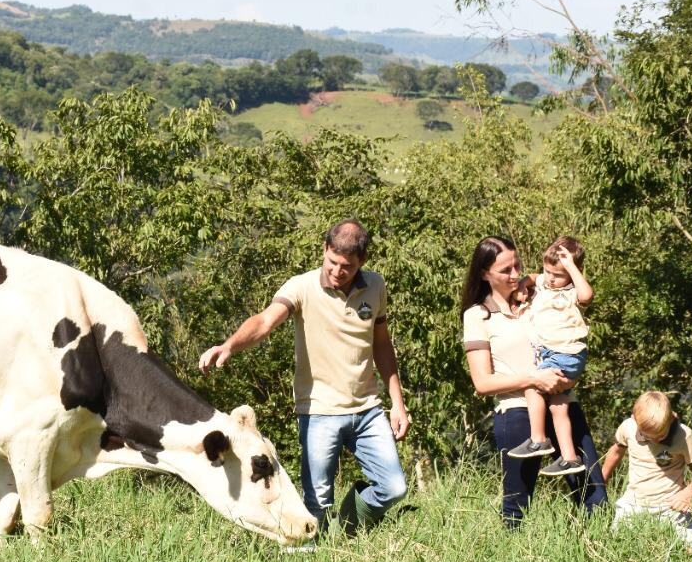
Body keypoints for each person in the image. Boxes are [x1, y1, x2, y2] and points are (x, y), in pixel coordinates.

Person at [198, 220, 409, 533]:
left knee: (394, 488)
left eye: (347, 266)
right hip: (319, 412)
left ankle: (349, 526)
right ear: (324, 250)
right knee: (318, 500)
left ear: (362, 261)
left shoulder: (376, 286)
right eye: (332, 262)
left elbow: (382, 345)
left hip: (367, 409)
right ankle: (316, 561)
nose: (337, 271)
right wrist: (230, 345)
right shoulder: (301, 287)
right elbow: (265, 322)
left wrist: (398, 402)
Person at [461, 235, 606, 528]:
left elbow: (573, 302)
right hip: (516, 411)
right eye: (505, 270)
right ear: (484, 274)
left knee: (594, 499)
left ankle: (603, 557)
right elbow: (482, 383)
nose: (515, 274)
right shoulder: (478, 316)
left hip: (563, 406)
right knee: (517, 506)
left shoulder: (542, 293)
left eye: (517, 265)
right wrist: (532, 379)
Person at [506, 236, 593, 477]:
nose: (552, 278)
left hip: (564, 353)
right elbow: (535, 277)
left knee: (533, 386)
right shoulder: (545, 282)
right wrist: (524, 283)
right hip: (559, 355)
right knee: (557, 406)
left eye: (559, 275)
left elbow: (587, 296)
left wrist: (572, 269)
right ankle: (570, 458)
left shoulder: (571, 291)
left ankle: (538, 439)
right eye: (549, 272)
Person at [602, 391, 692, 547]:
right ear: (634, 420)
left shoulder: (683, 435)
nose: (656, 440)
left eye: (661, 434)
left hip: (670, 506)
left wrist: (688, 492)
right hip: (632, 503)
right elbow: (615, 452)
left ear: (672, 418)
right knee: (615, 546)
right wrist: (602, 479)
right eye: (649, 436)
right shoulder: (628, 427)